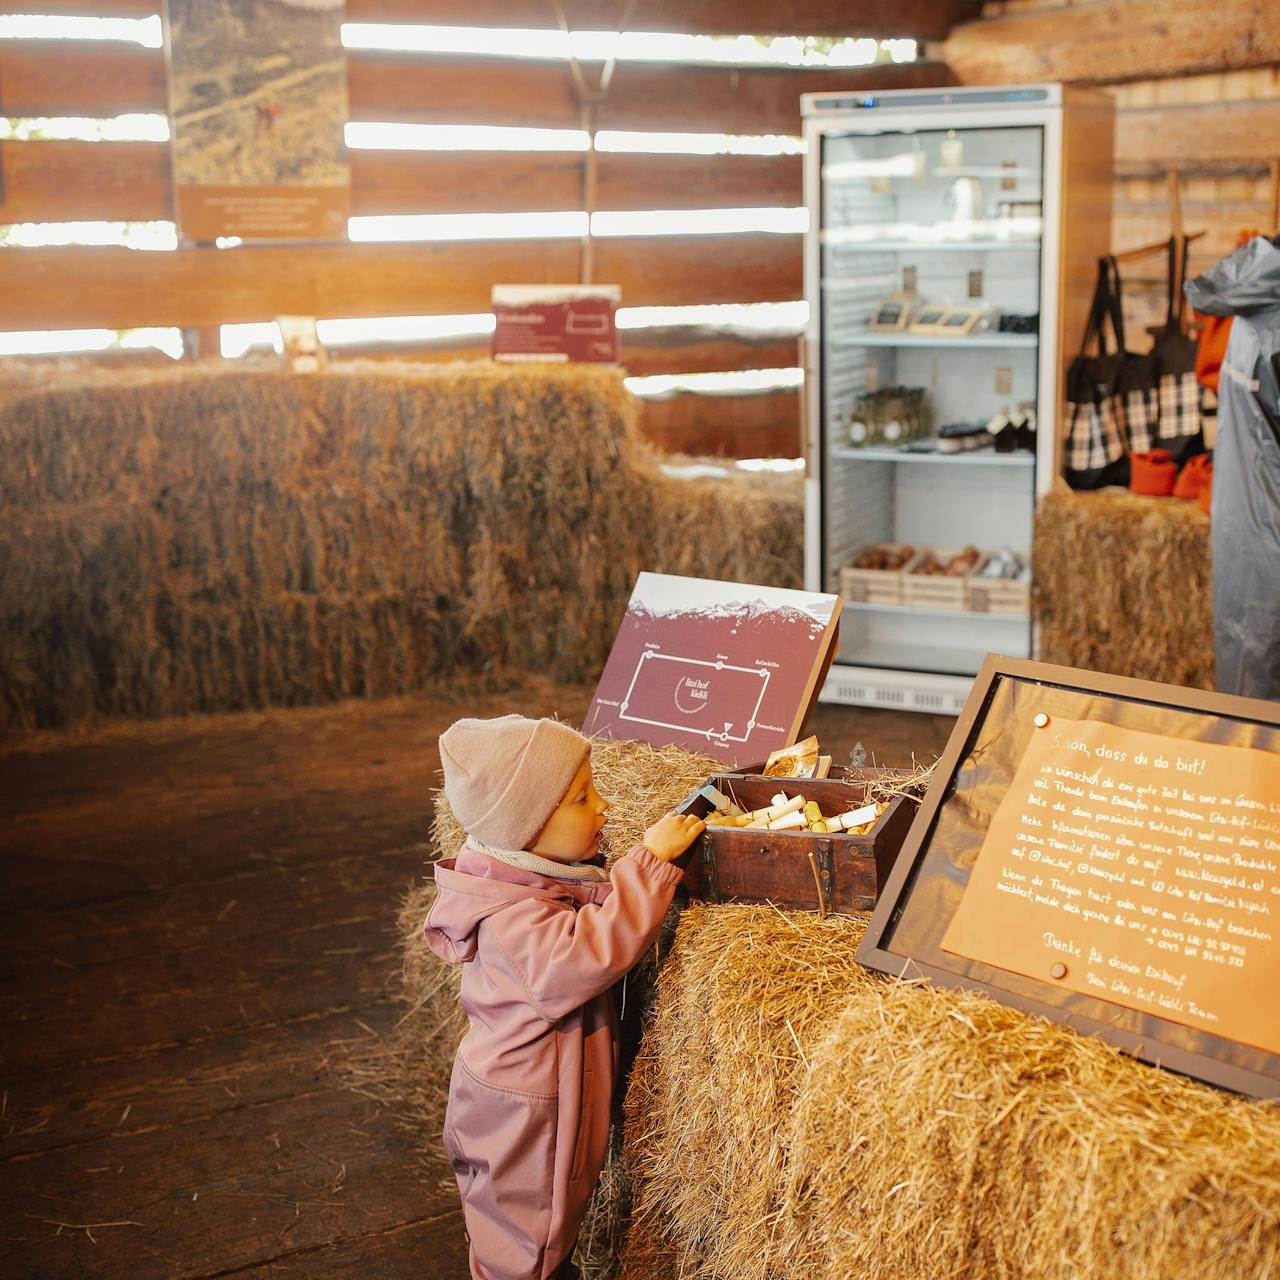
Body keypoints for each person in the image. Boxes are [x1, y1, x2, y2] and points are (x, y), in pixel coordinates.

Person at [424, 714, 704, 1280]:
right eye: (581, 798)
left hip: (517, 1095)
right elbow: (590, 954)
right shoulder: (512, 921)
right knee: (529, 1243)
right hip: (528, 1111)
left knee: (530, 1236)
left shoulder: (520, 881)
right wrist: (647, 865)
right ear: (527, 828)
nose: (601, 806)